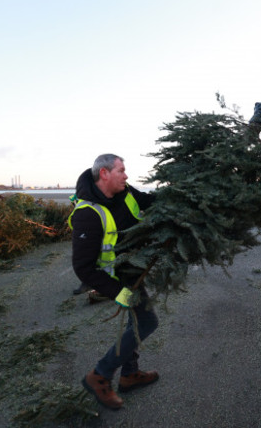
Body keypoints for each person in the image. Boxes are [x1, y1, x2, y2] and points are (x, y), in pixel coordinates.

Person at [68, 153, 159, 410]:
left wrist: (178, 197)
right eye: (121, 170)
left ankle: (130, 375)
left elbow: (150, 201)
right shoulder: (88, 213)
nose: (126, 175)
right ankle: (99, 375)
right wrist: (118, 292)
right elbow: (83, 268)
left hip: (133, 271)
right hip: (118, 281)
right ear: (104, 174)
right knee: (147, 321)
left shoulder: (125, 192)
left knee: (136, 321)